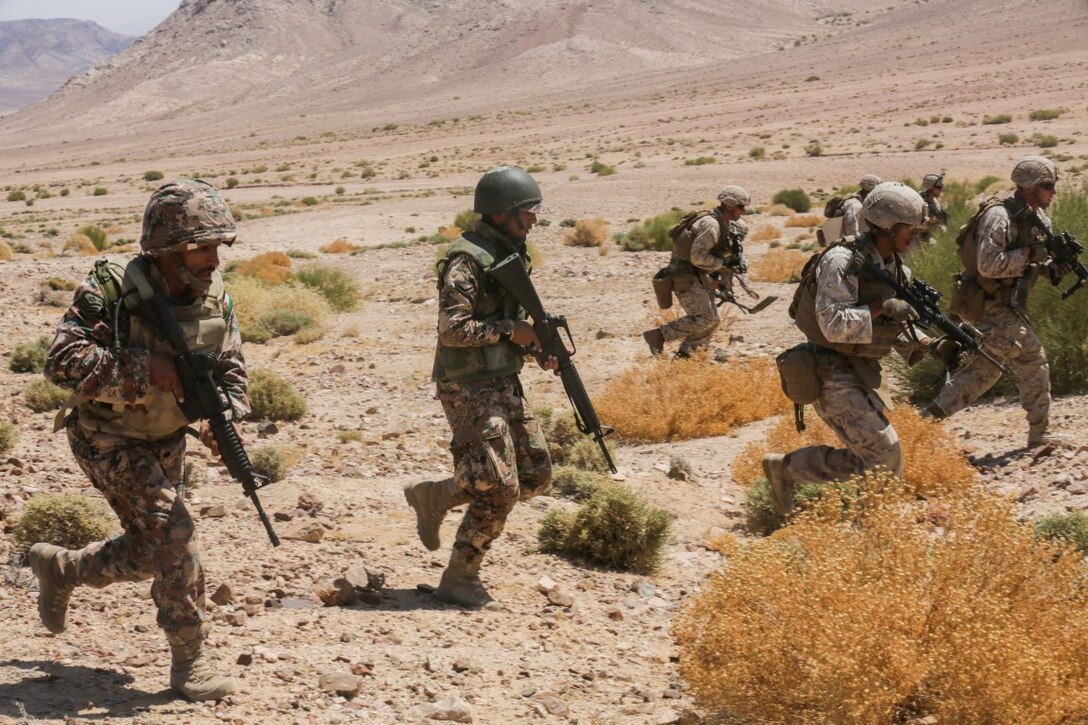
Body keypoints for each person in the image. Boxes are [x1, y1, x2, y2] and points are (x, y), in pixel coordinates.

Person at [31, 179, 247, 701]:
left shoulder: (214, 298)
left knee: (154, 550)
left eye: (219, 246)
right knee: (176, 534)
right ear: (167, 248)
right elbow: (59, 363)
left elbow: (234, 371)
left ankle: (64, 568)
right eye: (201, 246)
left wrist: (226, 417)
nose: (213, 259)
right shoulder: (111, 289)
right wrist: (146, 369)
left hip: (166, 439)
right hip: (106, 438)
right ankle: (191, 661)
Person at [404, 166, 554, 609]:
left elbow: (507, 319)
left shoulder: (507, 251)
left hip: (501, 377)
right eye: (528, 212)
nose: (533, 221)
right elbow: (453, 330)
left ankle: (437, 495)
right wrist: (513, 331)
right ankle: (459, 577)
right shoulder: (467, 258)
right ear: (501, 213)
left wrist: (534, 348)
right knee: (499, 485)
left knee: (535, 474)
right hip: (466, 384)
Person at [763, 182, 945, 515]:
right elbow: (833, 324)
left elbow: (894, 325)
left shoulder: (895, 268)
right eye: (911, 227)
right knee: (884, 449)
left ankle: (784, 472)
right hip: (828, 368)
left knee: (867, 456)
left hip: (860, 370)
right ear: (889, 226)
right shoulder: (841, 261)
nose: (917, 234)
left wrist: (930, 344)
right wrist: (881, 308)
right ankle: (875, 534)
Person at [923, 156, 1068, 447]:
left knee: (982, 374)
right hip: (988, 304)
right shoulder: (999, 216)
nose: (1053, 192)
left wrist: (1052, 267)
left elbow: (1034, 265)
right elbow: (989, 264)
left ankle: (922, 423)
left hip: (1007, 306)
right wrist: (1029, 256)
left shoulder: (1039, 219)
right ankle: (1039, 435)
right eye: (1048, 186)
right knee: (1032, 357)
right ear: (1028, 187)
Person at [642, 186, 749, 357]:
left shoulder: (722, 223)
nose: (743, 212)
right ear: (730, 205)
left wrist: (724, 279)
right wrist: (723, 262)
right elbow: (698, 257)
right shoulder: (711, 225)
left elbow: (710, 258)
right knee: (705, 318)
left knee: (713, 321)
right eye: (741, 207)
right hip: (684, 276)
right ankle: (658, 335)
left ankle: (686, 356)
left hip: (696, 275)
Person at [920, 172, 948, 241]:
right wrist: (929, 220)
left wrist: (943, 226)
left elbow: (943, 218)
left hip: (934, 233)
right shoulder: (920, 200)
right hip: (921, 234)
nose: (941, 190)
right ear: (930, 187)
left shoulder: (937, 201)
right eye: (938, 187)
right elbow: (914, 221)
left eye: (941, 187)